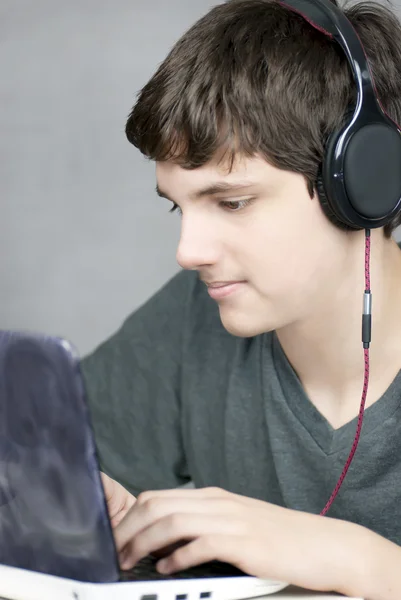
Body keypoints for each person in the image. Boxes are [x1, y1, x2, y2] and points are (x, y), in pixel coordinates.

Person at [80, 0, 401, 596]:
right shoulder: (193, 316)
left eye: (231, 203)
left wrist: (361, 560)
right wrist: (76, 501)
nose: (188, 251)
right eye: (179, 205)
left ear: (363, 185)